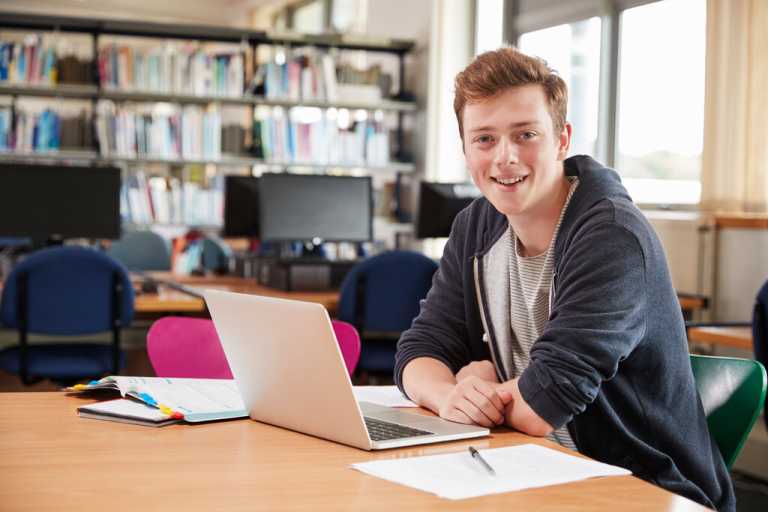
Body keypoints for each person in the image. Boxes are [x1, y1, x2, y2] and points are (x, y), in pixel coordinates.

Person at [394, 47, 734, 511]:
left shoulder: (612, 235)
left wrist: (482, 385)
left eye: (526, 134)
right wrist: (453, 393)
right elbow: (419, 351)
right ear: (466, 148)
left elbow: (542, 403)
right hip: (530, 469)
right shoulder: (475, 225)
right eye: (485, 139)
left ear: (561, 139)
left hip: (643, 489)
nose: (505, 158)